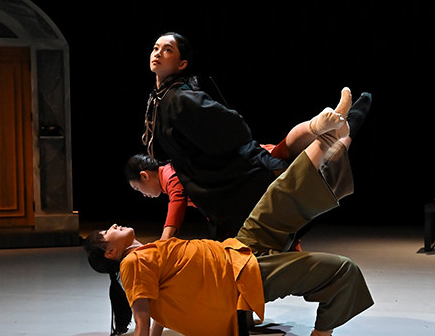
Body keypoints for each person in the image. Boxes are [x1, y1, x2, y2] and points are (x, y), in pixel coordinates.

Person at [85, 117, 371, 336]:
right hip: (238, 277)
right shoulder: (132, 264)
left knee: (280, 193)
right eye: (107, 232)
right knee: (342, 269)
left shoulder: (144, 252)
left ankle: (331, 132)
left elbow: (161, 306)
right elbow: (144, 320)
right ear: (110, 252)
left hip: (237, 247)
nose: (113, 225)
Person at [141, 31, 372, 241]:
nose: (158, 53)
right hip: (229, 184)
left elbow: (235, 128)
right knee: (301, 172)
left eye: (167, 50)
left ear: (182, 64)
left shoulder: (178, 98)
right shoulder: (162, 97)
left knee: (310, 177)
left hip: (238, 179)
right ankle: (335, 125)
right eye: (155, 48)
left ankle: (335, 126)